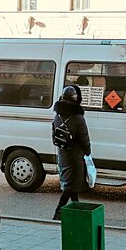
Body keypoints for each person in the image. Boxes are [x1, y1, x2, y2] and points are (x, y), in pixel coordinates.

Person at [52, 85, 91, 220]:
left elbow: (54, 136)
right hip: (75, 156)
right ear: (76, 99)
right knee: (70, 185)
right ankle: (58, 212)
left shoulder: (57, 116)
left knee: (71, 184)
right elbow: (84, 138)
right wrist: (88, 151)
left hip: (63, 154)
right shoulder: (78, 118)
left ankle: (77, 209)